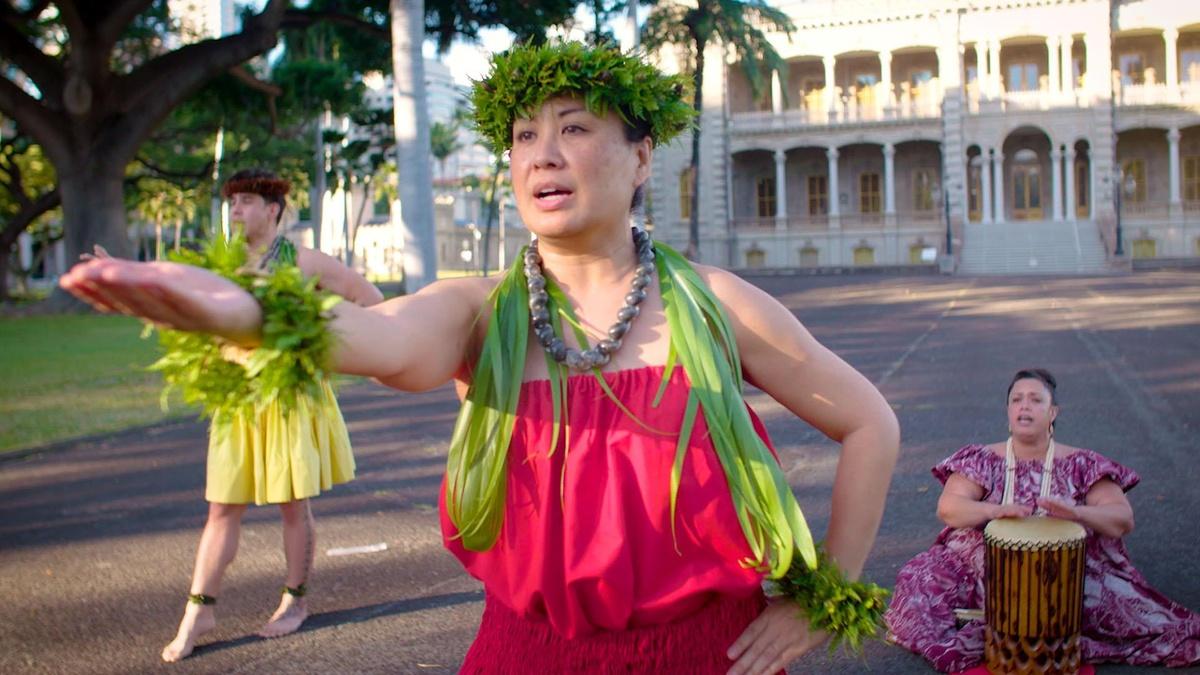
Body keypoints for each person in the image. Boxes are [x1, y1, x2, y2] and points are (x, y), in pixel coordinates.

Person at [60, 43, 898, 674]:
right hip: (525, 653)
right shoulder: (480, 310)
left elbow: (869, 422)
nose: (543, 152)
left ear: (641, 157)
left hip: (711, 654)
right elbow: (377, 337)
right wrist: (246, 309)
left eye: (574, 128)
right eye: (525, 135)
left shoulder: (717, 303)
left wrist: (827, 597)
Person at [158, 169, 384, 662]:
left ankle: (295, 601)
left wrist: (318, 341)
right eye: (232, 203)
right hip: (236, 398)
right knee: (221, 506)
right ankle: (199, 609)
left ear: (272, 209)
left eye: (244, 202)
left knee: (291, 504)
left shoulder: (303, 261)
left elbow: (370, 300)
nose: (236, 211)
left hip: (289, 398)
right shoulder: (222, 264)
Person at [885, 368, 1200, 672]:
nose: (1024, 406)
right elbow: (949, 508)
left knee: (1125, 610)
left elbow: (1122, 518)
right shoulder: (982, 459)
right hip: (977, 563)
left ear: (1053, 413)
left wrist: (1077, 513)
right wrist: (994, 511)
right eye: (1017, 399)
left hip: (1064, 571)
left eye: (1036, 400)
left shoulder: (1082, 463)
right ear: (1008, 411)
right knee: (919, 580)